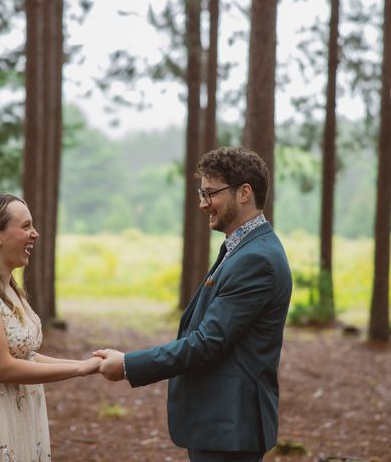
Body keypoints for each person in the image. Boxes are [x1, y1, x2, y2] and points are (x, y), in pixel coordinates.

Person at [95, 147, 292, 462]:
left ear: (244, 193)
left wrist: (128, 365)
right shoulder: (244, 248)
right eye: (202, 193)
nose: (203, 204)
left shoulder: (256, 258)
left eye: (210, 193)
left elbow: (206, 343)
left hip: (229, 426)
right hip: (222, 424)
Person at [0, 194, 101, 462]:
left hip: (22, 411)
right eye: (26, 226)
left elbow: (25, 355)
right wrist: (79, 369)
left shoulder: (9, 287)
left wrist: (84, 363)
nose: (35, 234)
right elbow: (4, 367)